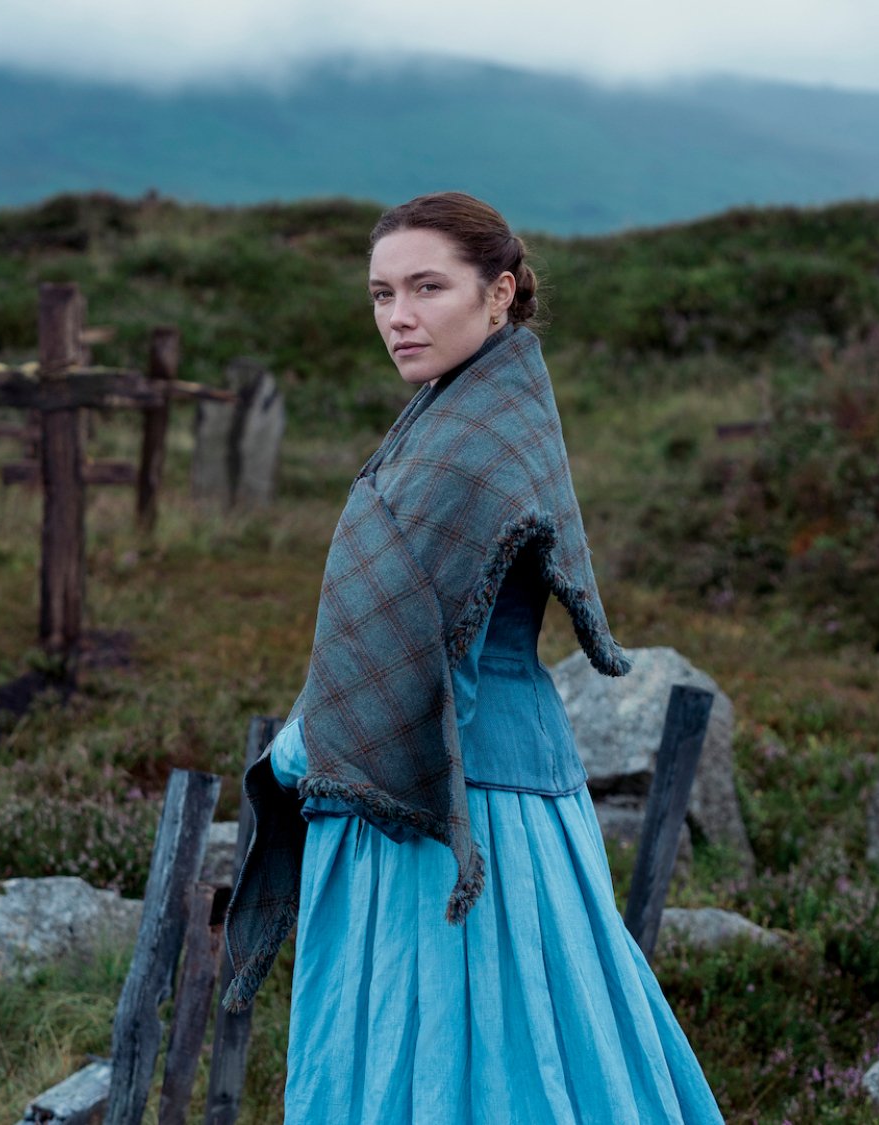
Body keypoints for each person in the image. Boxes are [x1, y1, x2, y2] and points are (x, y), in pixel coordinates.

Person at [221, 192, 724, 1124]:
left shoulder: (467, 441)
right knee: (532, 1044)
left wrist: (300, 750)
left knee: (466, 1053)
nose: (398, 316)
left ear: (498, 294)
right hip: (469, 786)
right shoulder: (468, 408)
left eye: (426, 287)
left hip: (453, 807)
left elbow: (404, 644)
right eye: (380, 294)